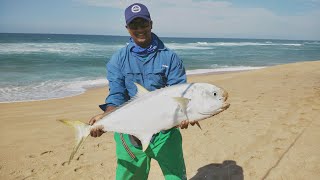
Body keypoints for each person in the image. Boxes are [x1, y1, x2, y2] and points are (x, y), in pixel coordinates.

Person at [89, 3, 196, 180]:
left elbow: (180, 93)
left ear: (151, 24)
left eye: (143, 24)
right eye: (134, 25)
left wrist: (185, 115)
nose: (140, 29)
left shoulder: (170, 57)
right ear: (127, 28)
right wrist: (106, 118)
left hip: (165, 132)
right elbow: (116, 93)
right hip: (129, 133)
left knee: (176, 177)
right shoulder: (118, 59)